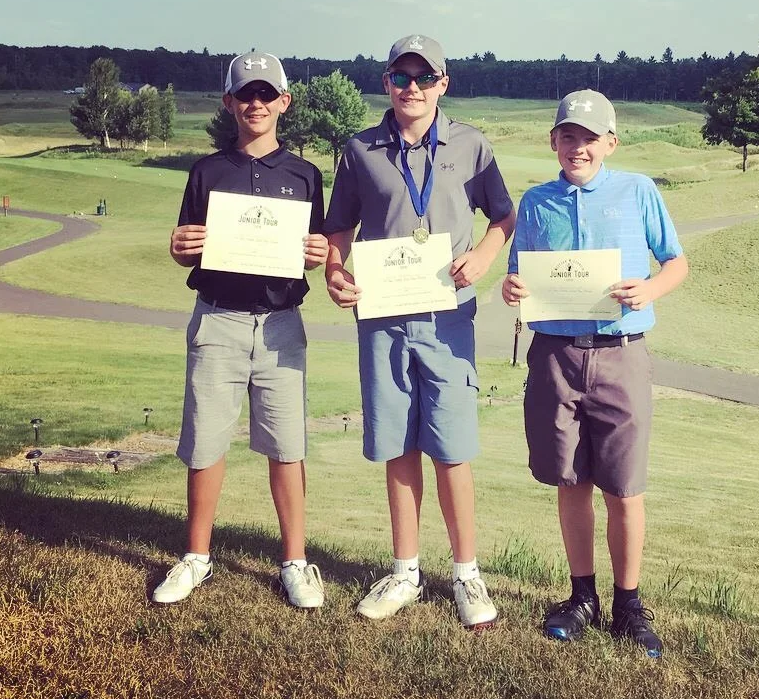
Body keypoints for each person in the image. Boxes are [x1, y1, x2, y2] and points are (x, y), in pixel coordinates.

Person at [324, 34, 515, 629]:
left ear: (443, 84)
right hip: (382, 317)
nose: (412, 88)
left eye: (423, 78)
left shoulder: (471, 145)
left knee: (452, 450)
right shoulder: (360, 150)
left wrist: (484, 256)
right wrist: (335, 272)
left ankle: (466, 574)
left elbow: (504, 216)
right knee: (399, 448)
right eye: (400, 77)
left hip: (450, 317)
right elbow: (339, 229)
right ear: (386, 83)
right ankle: (406, 571)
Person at [501, 89, 688, 657]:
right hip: (555, 355)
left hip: (620, 353)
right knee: (570, 480)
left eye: (589, 137)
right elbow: (520, 277)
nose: (577, 147)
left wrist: (650, 289)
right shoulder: (535, 202)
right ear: (553, 140)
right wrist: (512, 289)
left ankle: (629, 603)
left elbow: (674, 260)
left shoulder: (638, 191)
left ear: (610, 141)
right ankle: (581, 596)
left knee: (624, 487)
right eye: (567, 136)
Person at [154, 51, 329, 609]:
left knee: (287, 446)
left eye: (266, 94)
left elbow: (315, 251)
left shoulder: (305, 175)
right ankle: (196, 557)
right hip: (218, 320)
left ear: (284, 102)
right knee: (205, 442)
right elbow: (188, 246)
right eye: (244, 95)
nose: (256, 104)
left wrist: (321, 253)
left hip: (280, 327)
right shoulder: (207, 170)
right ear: (229, 102)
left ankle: (296, 562)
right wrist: (180, 248)